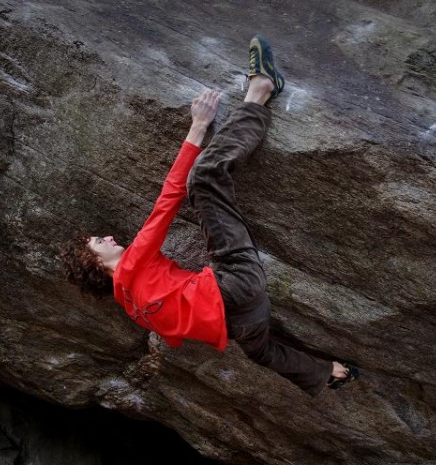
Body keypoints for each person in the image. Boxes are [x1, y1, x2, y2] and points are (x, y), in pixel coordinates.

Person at [61, 35, 359, 397]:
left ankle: (327, 373)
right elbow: (167, 201)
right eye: (99, 242)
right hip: (237, 284)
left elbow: (178, 329)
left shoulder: (132, 308)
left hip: (243, 324)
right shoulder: (132, 263)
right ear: (97, 264)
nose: (107, 237)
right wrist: (197, 129)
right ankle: (260, 92)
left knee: (262, 352)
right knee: (203, 180)